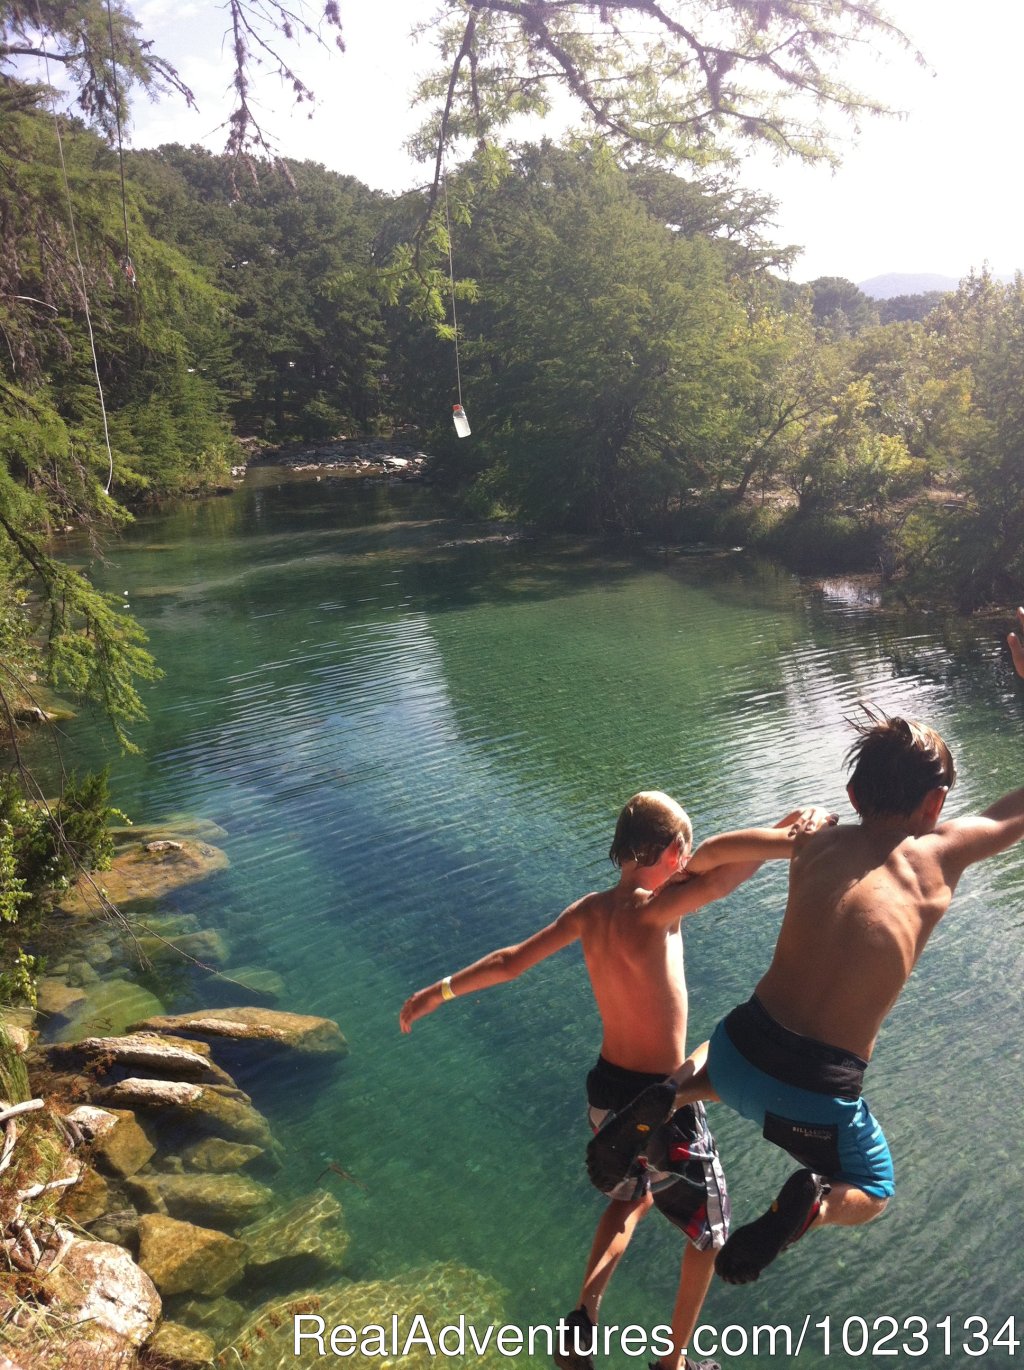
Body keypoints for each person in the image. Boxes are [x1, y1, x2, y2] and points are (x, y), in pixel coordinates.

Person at [590, 608, 1024, 1287]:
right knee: (875, 1190)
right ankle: (814, 1204)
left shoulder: (816, 844)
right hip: (817, 1101)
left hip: (740, 1057)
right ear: (936, 805)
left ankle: (669, 1093)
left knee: (730, 1039)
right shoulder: (939, 856)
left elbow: (711, 854)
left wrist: (793, 830)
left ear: (852, 794)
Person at [400, 791, 832, 1370]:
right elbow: (726, 878)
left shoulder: (589, 911)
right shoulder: (659, 909)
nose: (689, 864)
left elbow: (510, 961)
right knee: (709, 1233)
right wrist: (798, 838)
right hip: (661, 1101)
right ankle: (673, 1362)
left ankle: (585, 1313)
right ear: (675, 851)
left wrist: (439, 991)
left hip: (606, 1096)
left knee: (631, 1198)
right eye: (686, 851)